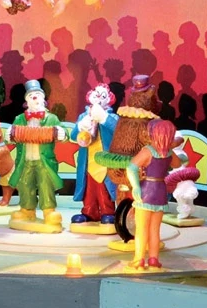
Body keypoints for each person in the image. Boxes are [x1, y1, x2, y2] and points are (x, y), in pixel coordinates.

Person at [126, 119, 188, 270]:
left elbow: (131, 167)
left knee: (142, 229)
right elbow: (178, 163)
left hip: (146, 192)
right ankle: (154, 259)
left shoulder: (148, 151)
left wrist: (136, 186)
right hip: (160, 192)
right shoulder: (169, 153)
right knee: (155, 229)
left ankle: (139, 260)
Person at [8, 80, 66, 229]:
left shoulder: (51, 118)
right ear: (26, 100)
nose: (34, 98)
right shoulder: (20, 119)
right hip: (25, 160)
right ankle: (27, 210)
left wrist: (62, 133)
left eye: (37, 95)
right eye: (31, 95)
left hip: (44, 160)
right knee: (25, 184)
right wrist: (10, 135)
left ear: (43, 98)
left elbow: (64, 133)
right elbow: (11, 135)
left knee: (45, 184)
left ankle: (49, 211)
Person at [70, 84, 119, 227]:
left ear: (108, 100)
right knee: (89, 189)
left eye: (103, 96)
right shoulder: (83, 116)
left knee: (104, 188)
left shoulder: (112, 117)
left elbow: (118, 131)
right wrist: (81, 126)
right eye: (96, 94)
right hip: (88, 162)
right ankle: (89, 211)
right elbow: (73, 136)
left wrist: (103, 118)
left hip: (105, 163)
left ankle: (107, 212)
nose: (98, 98)